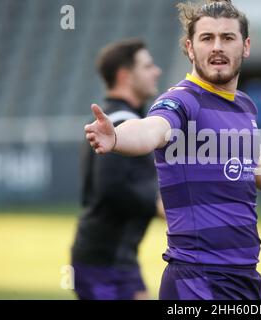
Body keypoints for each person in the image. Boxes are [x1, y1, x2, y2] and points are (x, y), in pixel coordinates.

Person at [84, 0, 261, 300]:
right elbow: (153, 128)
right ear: (190, 48)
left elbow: (249, 154)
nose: (217, 46)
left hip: (245, 277)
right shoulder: (182, 101)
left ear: (246, 46)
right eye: (207, 38)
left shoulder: (244, 105)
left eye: (227, 37)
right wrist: (118, 138)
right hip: (197, 280)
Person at [71, 38, 162, 300]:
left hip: (114, 259)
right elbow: (111, 187)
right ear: (125, 75)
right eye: (147, 66)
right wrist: (157, 205)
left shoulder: (114, 121)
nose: (156, 71)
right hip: (105, 262)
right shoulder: (120, 124)